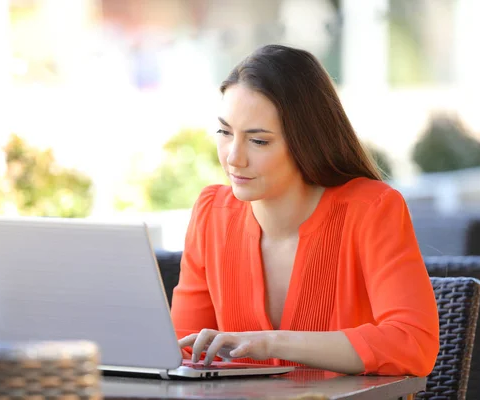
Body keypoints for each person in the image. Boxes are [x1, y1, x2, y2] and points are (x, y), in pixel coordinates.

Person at [170, 45, 439, 376]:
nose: (233, 157)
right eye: (225, 133)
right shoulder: (211, 214)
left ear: (306, 140)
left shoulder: (372, 209)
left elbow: (413, 343)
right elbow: (181, 354)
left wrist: (271, 343)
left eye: (258, 141)